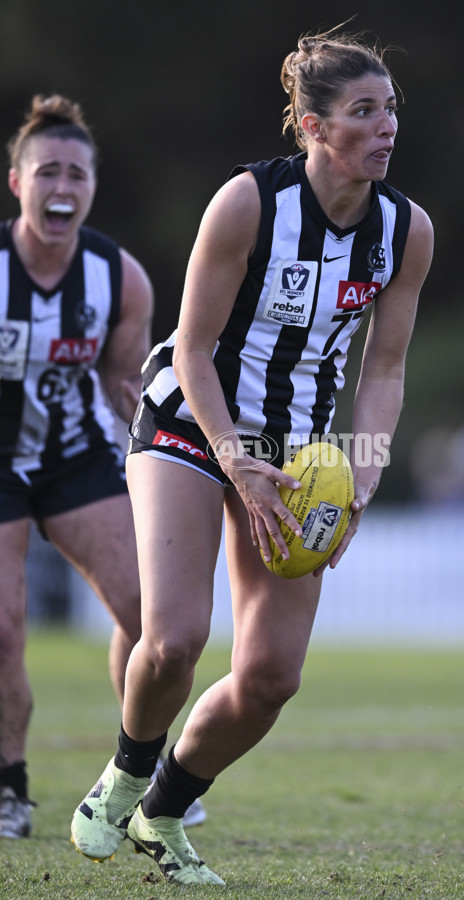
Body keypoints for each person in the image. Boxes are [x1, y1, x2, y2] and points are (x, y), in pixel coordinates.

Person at [71, 25, 434, 886]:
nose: (386, 129)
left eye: (391, 111)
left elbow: (385, 368)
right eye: (363, 112)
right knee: (175, 641)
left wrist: (364, 475)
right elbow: (193, 349)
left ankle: (162, 814)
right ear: (312, 127)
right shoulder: (247, 204)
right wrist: (238, 465)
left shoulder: (405, 230)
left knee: (271, 676)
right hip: (191, 425)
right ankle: (121, 780)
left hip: (300, 446)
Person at [0, 94, 205, 839]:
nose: (63, 187)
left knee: (152, 618)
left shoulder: (119, 277)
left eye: (77, 175)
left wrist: (164, 465)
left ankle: (137, 768)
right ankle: (10, 788)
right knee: (4, 629)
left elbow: (127, 388)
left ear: (92, 186)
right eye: (47, 171)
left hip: (72, 457)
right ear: (17, 183)